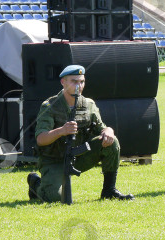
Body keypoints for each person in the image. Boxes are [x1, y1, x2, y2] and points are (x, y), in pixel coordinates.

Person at [28, 65, 133, 203]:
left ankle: (109, 190)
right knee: (55, 198)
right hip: (54, 160)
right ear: (63, 82)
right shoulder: (49, 106)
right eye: (74, 81)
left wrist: (109, 131)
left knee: (112, 142)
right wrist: (61, 131)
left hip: (78, 158)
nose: (79, 85)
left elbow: (102, 128)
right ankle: (35, 183)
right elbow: (41, 139)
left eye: (81, 81)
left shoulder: (89, 105)